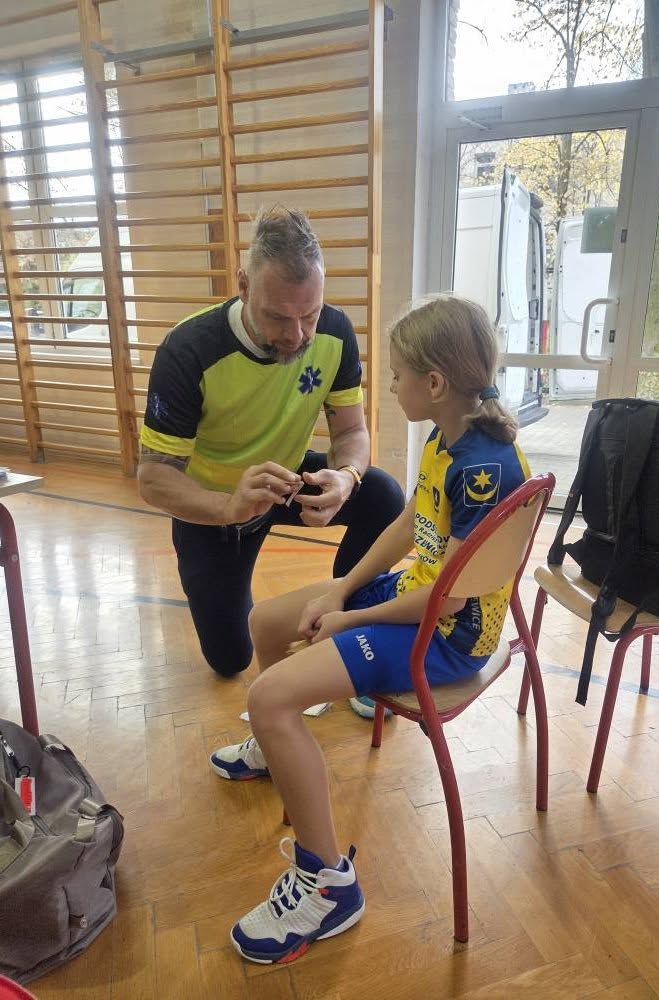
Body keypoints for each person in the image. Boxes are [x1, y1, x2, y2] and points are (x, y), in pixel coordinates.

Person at [209, 295, 531, 964]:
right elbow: (408, 523)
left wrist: (350, 617)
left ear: (434, 382)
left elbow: (447, 604)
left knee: (270, 698)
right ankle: (275, 748)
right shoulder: (449, 437)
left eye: (396, 374)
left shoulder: (484, 469)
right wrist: (341, 587)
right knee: (267, 620)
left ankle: (328, 883)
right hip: (420, 603)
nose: (389, 385)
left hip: (444, 641)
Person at [137, 207, 404, 684]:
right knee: (230, 660)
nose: (296, 335)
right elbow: (154, 478)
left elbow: (351, 434)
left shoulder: (336, 332)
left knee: (381, 494)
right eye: (278, 316)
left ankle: (343, 612)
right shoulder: (188, 350)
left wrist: (346, 477)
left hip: (286, 482)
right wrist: (228, 507)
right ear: (243, 285)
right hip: (216, 507)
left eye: (310, 315)